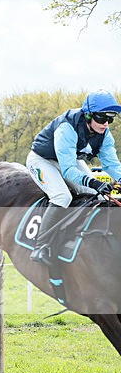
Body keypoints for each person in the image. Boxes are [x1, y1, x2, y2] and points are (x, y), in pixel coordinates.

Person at [26, 90, 121, 266]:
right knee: (62, 196)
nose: (106, 124)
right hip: (42, 160)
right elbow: (68, 170)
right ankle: (41, 246)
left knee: (99, 196)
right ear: (88, 115)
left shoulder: (104, 134)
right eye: (101, 118)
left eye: (110, 119)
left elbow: (112, 165)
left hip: (69, 159)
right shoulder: (67, 127)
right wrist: (93, 182)